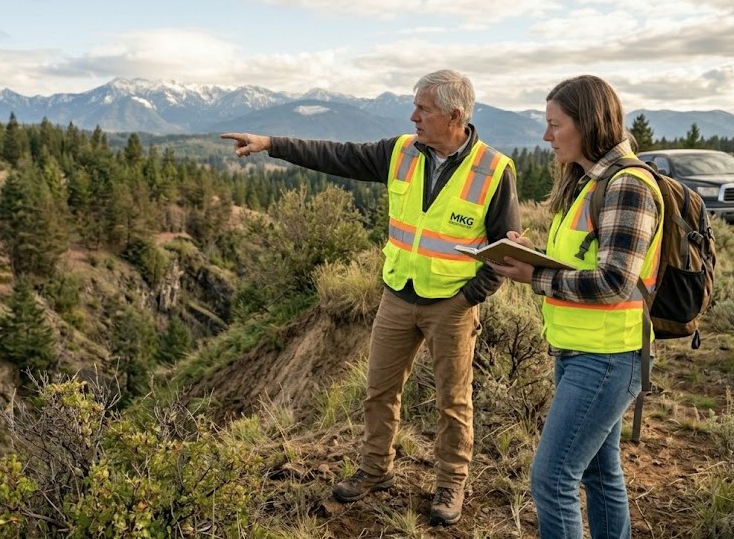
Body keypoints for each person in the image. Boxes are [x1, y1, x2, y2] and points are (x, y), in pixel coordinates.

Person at [221, 69, 521, 526]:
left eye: (423, 109)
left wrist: (469, 297)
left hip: (452, 305)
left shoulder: (494, 170)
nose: (413, 116)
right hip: (399, 295)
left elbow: (507, 249)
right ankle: (376, 469)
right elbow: (338, 156)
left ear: (455, 116)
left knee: (453, 400)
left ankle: (450, 483)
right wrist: (271, 143)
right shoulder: (400, 152)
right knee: (379, 390)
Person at [487, 75, 662, 538]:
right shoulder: (591, 182)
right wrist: (532, 252)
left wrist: (535, 276)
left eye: (554, 124)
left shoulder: (627, 186)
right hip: (580, 350)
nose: (546, 137)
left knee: (552, 478)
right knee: (600, 476)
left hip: (606, 357)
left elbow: (614, 281)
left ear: (588, 123)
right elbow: (587, 261)